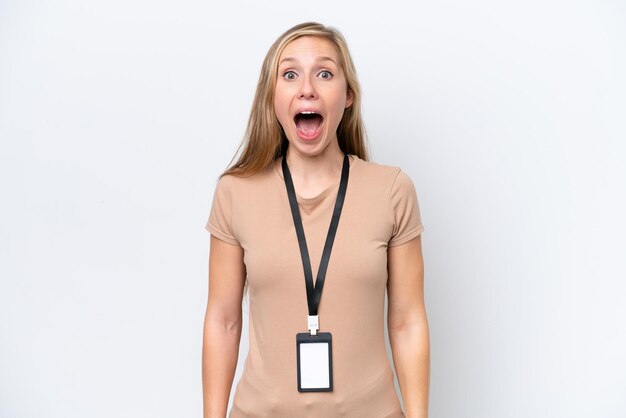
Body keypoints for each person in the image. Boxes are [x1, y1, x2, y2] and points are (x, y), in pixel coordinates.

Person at [202, 22, 429, 418]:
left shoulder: (392, 189)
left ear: (347, 97)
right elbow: (223, 320)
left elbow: (408, 320)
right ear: (272, 98)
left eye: (324, 73)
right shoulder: (235, 192)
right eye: (290, 74)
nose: (307, 87)